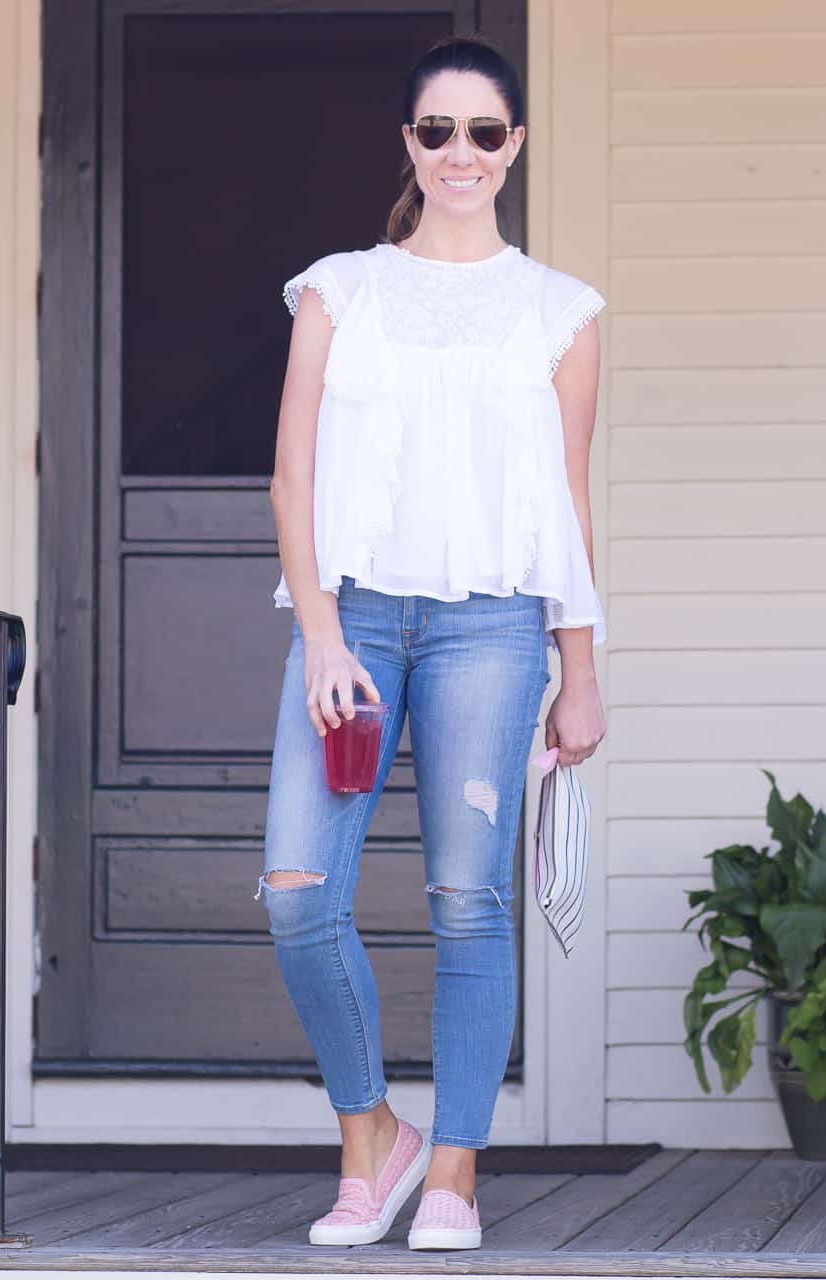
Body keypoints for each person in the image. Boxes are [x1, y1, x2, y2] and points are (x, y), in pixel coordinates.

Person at [259, 35, 607, 1252]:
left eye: (485, 132)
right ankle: (373, 1137)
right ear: (409, 143)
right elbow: (292, 473)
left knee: (468, 901)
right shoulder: (338, 289)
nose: (461, 153)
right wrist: (317, 635)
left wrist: (582, 666)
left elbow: (566, 496)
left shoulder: (560, 311)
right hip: (349, 617)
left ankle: (452, 1168)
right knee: (299, 891)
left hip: (494, 628)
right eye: (437, 131)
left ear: (515, 146)